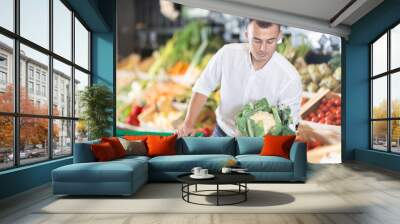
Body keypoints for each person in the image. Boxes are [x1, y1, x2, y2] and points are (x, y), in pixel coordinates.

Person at [176, 19, 302, 137]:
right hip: (222, 133)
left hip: (260, 145)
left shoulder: (290, 77)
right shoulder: (227, 54)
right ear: (247, 35)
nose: (263, 48)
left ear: (279, 37)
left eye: (270, 41)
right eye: (257, 40)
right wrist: (188, 124)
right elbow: (203, 87)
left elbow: (289, 125)